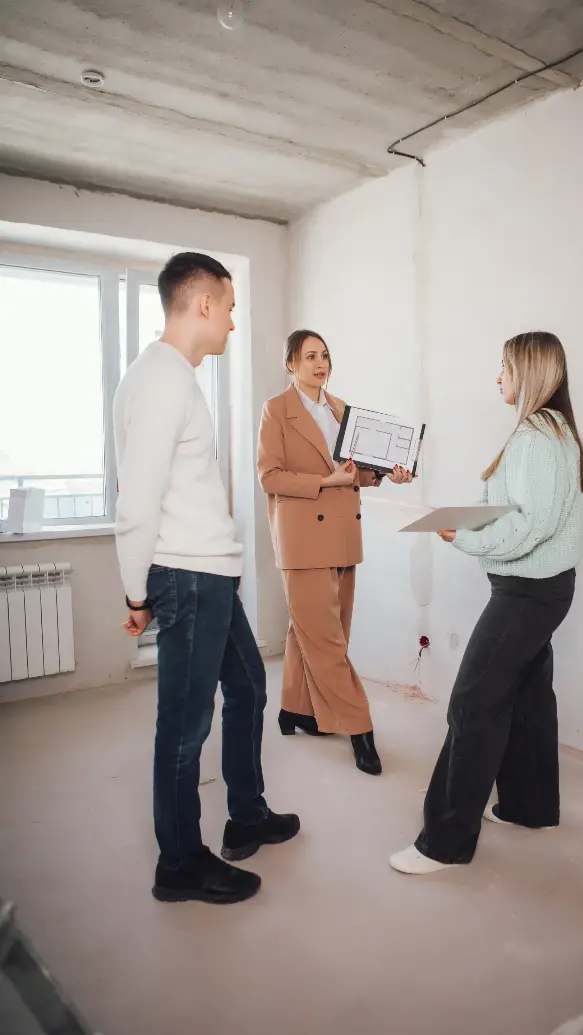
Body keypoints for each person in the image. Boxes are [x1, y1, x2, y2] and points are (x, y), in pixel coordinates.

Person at [114, 251, 299, 905]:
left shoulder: (172, 376)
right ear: (203, 304)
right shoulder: (163, 378)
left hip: (209, 573)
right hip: (188, 577)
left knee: (248, 687)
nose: (232, 319)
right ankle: (180, 863)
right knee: (186, 724)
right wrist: (136, 593)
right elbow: (135, 500)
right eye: (230, 305)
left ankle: (246, 812)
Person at [390, 331, 583, 874]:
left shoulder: (535, 434)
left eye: (503, 366)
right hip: (544, 588)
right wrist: (460, 517)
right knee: (527, 697)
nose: (496, 375)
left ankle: (446, 842)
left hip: (528, 591)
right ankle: (529, 807)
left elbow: (529, 524)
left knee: (473, 703)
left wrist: (464, 537)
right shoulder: (551, 430)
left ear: (529, 371)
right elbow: (513, 506)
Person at [257, 330, 413, 775]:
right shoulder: (277, 410)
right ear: (291, 364)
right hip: (303, 536)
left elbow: (357, 473)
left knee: (316, 630)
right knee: (326, 642)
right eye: (309, 356)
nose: (320, 363)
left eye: (324, 355)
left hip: (343, 533)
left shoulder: (344, 410)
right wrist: (325, 482)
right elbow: (270, 476)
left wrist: (386, 474)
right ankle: (361, 729)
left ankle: (295, 710)